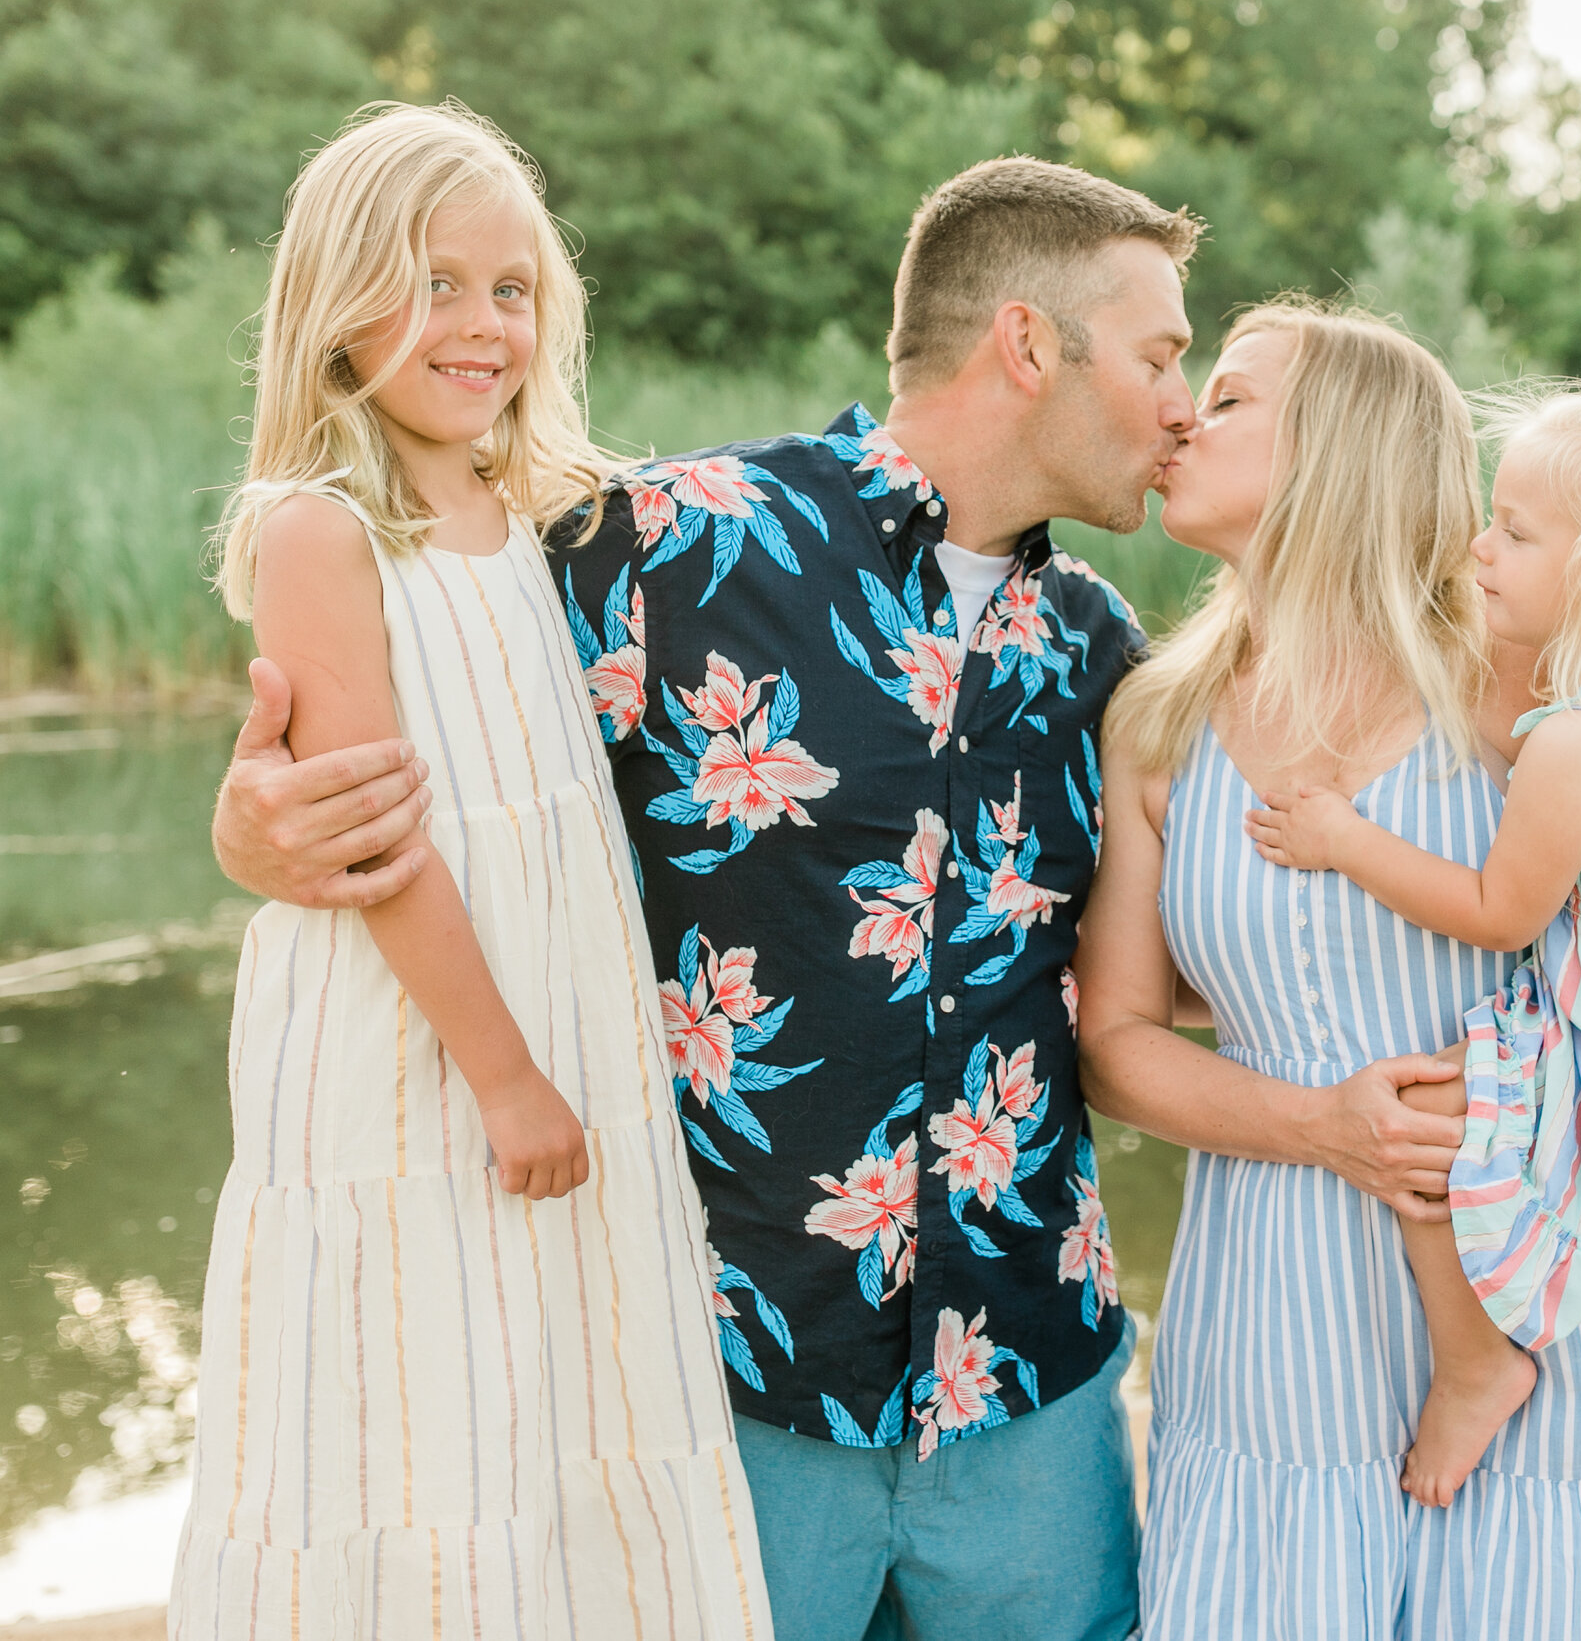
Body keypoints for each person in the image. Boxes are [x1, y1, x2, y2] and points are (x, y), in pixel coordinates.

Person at [211, 152, 1203, 1641]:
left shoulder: (1105, 650)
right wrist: (254, 835)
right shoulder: (666, 549)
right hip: (727, 1380)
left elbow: (1232, 933)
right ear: (1026, 344)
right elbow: (429, 732)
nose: (1180, 399)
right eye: (1160, 355)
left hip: (1032, 1388)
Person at [1076, 303, 1581, 1638]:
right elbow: (1116, 1041)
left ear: (1338, 447)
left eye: (1228, 397)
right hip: (1278, 1313)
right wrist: (1323, 1125)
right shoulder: (1158, 720)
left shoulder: (1517, 679)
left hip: (1550, 1298)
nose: (1182, 412)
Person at [173, 103, 769, 1636]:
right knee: (423, 1394)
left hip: (559, 1020)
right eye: (435, 282)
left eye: (512, 290)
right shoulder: (322, 527)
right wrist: (506, 1074)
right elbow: (379, 843)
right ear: (333, 301)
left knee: (559, 1388)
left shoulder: (540, 509)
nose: (481, 323)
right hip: (415, 1046)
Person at [1241, 371, 1581, 1506]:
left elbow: (1502, 911)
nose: (1478, 547)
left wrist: (1341, 836)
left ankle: (1476, 1361)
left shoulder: (1577, 746)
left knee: (1445, 1116)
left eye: (1512, 530)